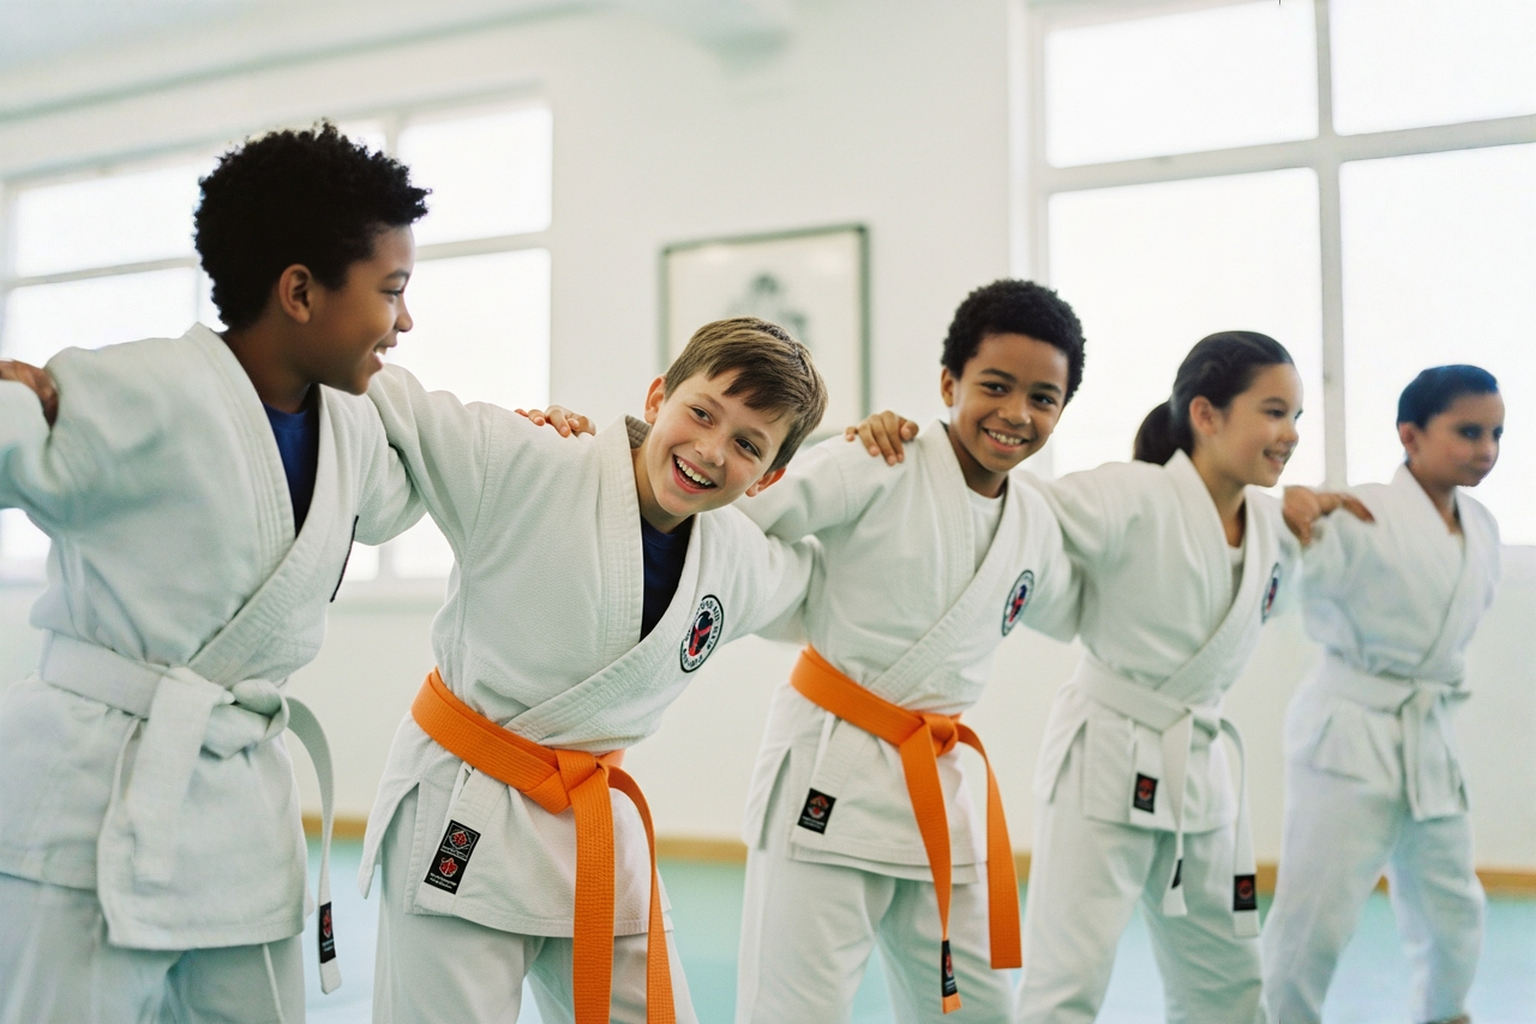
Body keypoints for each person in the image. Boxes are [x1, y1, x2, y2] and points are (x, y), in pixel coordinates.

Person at [0, 123, 427, 1023]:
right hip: (95, 795)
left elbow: (408, 495)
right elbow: (19, 450)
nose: (405, 321)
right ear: (300, 291)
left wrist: (547, 440)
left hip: (241, 805)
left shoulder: (353, 428)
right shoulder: (143, 387)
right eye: (392, 291)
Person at [852, 330, 1367, 1024]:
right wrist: (912, 452)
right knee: (1069, 985)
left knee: (1231, 985)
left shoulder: (1276, 531)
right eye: (1274, 412)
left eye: (1298, 418)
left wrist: (1317, 505)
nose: (1291, 434)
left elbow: (1339, 565)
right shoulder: (1134, 494)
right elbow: (1011, 502)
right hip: (1106, 758)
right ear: (1207, 414)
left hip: (1203, 769)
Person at [358, 316, 828, 1024]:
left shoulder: (738, 558)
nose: (708, 450)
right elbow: (391, 400)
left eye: (746, 445)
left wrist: (880, 454)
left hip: (594, 824)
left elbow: (836, 582)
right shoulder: (532, 459)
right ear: (656, 396)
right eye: (701, 412)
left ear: (771, 476)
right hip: (465, 803)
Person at [729, 279, 1083, 1023]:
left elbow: (1093, 598)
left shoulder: (1038, 526)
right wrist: (804, 605)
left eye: (1043, 398)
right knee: (795, 1010)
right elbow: (745, 520)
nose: (1017, 414)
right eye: (995, 385)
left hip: (941, 796)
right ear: (949, 382)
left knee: (976, 1009)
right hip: (831, 772)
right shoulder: (876, 461)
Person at [1262, 366, 1504, 1024]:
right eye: (1467, 431)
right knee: (1317, 914)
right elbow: (1289, 583)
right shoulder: (1358, 511)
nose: (1485, 449)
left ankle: (1447, 1012)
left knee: (1454, 906)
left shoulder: (1481, 526)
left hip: (1428, 736)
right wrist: (1296, 520)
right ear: (1411, 434)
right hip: (1349, 729)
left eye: (1496, 433)